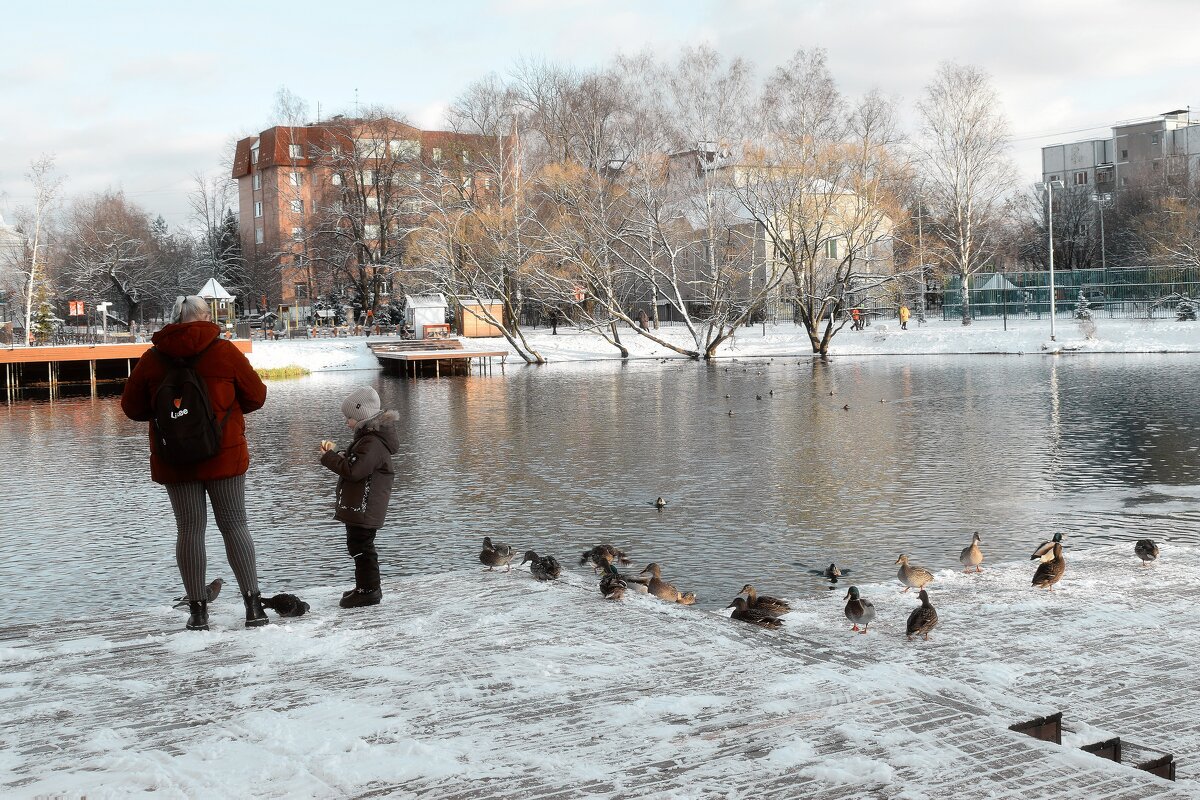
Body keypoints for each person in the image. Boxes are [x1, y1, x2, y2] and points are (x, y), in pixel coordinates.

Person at [121, 295, 269, 632]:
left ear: (174, 319)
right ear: (206, 317)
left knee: (189, 530)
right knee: (234, 525)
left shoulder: (153, 358)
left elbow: (132, 408)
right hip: (225, 455)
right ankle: (253, 607)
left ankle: (199, 612)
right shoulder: (225, 352)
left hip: (176, 459)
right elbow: (257, 396)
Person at [319, 386, 399, 609]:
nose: (347, 422)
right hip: (362, 506)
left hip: (366, 506)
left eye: (350, 418)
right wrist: (344, 455)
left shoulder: (372, 442)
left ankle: (369, 591)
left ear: (362, 415)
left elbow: (354, 471)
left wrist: (329, 458)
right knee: (358, 546)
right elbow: (359, 464)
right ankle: (364, 586)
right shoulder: (368, 438)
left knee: (362, 547)